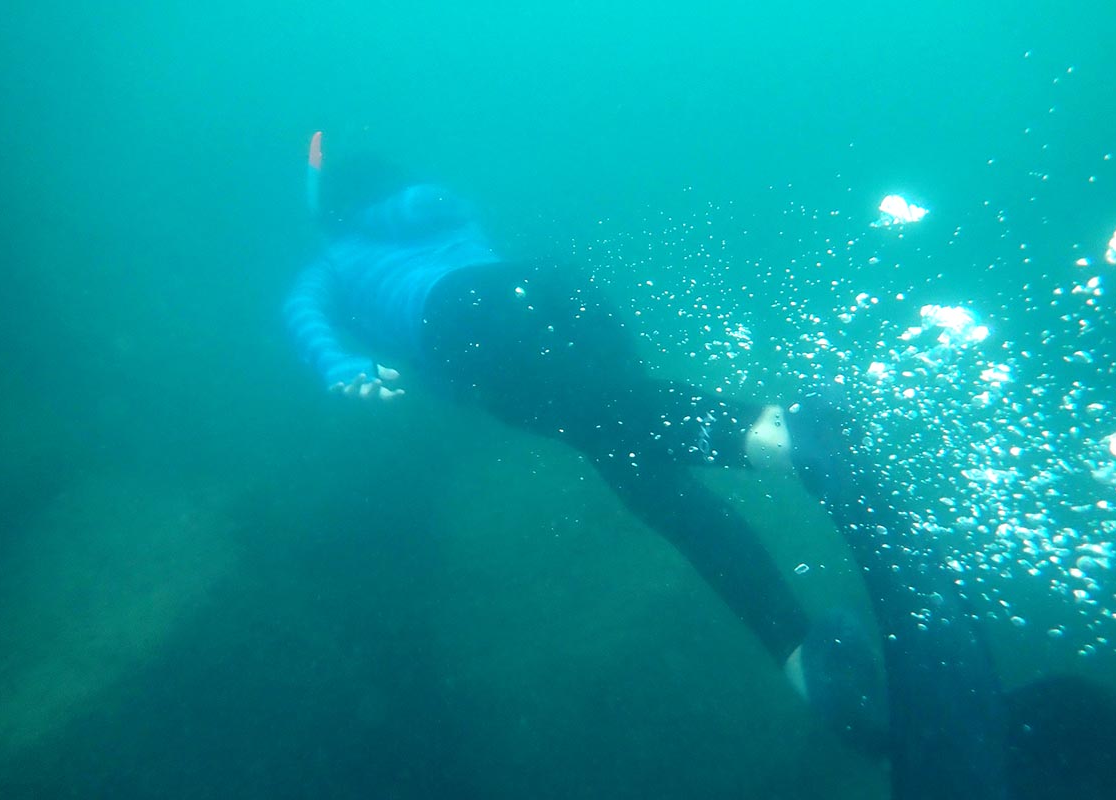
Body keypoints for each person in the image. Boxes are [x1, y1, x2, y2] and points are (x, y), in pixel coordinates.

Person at [284, 131, 884, 747]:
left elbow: (308, 316)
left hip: (465, 324)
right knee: (640, 461)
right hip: (547, 288)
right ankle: (797, 652)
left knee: (629, 439)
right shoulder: (398, 225)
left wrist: (340, 361)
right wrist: (339, 357)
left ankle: (788, 444)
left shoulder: (337, 257)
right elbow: (407, 226)